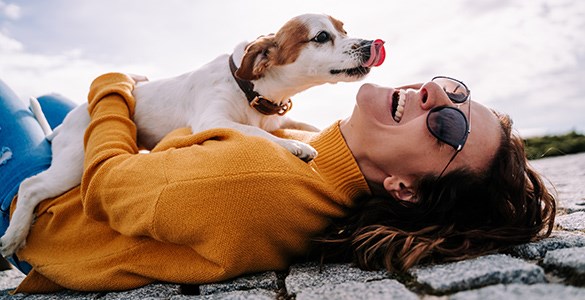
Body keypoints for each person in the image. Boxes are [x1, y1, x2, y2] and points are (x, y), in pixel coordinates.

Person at [0, 73, 555, 293]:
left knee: (10, 96)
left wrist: (114, 89)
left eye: (447, 127)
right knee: (50, 104)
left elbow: (108, 186)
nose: (435, 97)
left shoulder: (256, 180)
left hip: (51, 225)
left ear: (403, 189)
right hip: (83, 188)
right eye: (453, 91)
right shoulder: (320, 152)